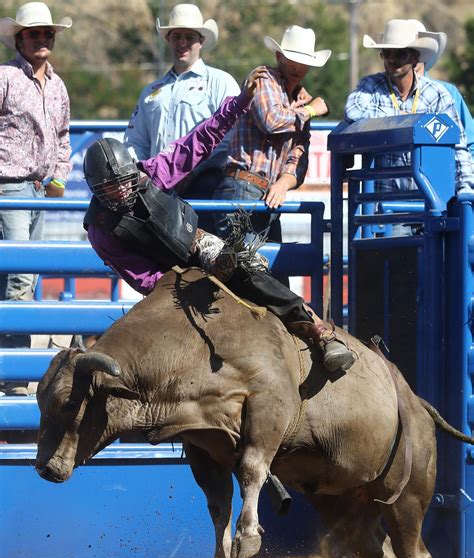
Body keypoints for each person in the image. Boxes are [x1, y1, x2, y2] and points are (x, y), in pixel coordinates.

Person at [83, 69, 355, 373]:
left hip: (195, 243)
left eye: (125, 181)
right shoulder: (101, 229)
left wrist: (241, 102)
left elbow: (198, 141)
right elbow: (139, 275)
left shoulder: (152, 174)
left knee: (243, 269)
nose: (122, 189)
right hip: (165, 281)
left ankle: (318, 330)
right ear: (98, 190)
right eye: (112, 186)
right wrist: (182, 283)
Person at [0, 1, 72, 396]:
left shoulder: (57, 86)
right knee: (21, 277)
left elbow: (63, 136)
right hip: (8, 186)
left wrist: (59, 177)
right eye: (34, 33)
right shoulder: (5, 78)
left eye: (47, 33)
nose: (41, 38)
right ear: (20, 39)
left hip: (38, 189)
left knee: (18, 276)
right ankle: (13, 378)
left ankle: (8, 369)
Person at [123, 3, 240, 232]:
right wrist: (141, 174)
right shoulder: (151, 91)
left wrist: (190, 170)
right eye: (176, 36)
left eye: (189, 36)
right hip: (157, 189)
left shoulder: (219, 82)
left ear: (201, 41)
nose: (182, 43)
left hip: (205, 185)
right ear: (168, 39)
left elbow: (230, 136)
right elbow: (135, 140)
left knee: (202, 257)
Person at [213, 25, 331, 245]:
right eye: (292, 59)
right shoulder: (264, 78)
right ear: (279, 57)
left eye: (303, 61)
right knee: (243, 271)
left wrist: (283, 184)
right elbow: (271, 120)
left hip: (268, 194)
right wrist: (310, 111)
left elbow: (298, 157)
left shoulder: (303, 99)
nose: (298, 66)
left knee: (267, 275)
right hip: (242, 188)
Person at [344, 18, 473, 209]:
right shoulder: (370, 86)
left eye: (400, 54)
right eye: (386, 53)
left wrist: (466, 190)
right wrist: (404, 121)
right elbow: (353, 112)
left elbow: (459, 147)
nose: (392, 59)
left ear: (415, 58)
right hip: (389, 205)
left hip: (433, 202)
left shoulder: (437, 94)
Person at [410, 19, 474, 163]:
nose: (410, 58)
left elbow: (470, 143)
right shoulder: (382, 95)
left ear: (425, 53)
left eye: (415, 52)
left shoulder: (448, 92)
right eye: (402, 53)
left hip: (442, 176)